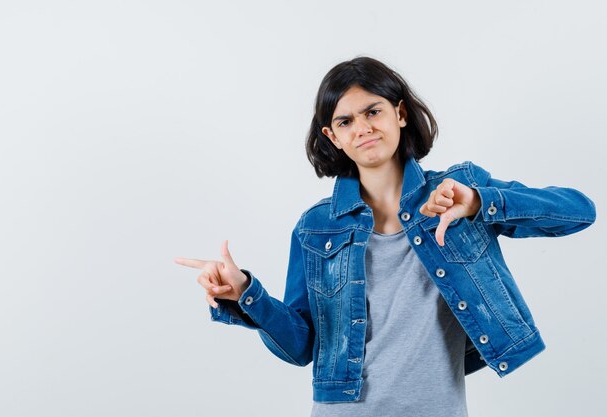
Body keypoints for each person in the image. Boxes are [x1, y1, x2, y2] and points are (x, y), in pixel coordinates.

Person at [175, 56, 596, 416]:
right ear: (332, 136)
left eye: (372, 111)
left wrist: (480, 201)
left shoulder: (458, 191)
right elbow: (301, 346)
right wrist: (248, 293)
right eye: (345, 120)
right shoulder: (316, 226)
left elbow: (580, 212)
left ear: (400, 114)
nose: (362, 128)